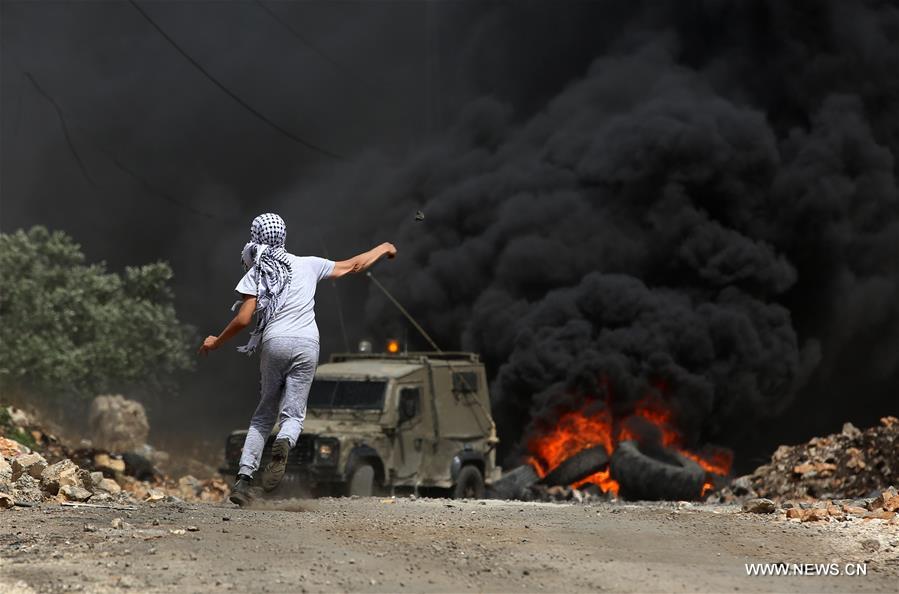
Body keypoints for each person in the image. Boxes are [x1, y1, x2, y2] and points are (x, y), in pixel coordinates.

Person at [199, 213, 396, 506]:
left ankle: (243, 480)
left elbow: (243, 319)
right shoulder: (309, 264)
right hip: (307, 344)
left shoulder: (258, 272)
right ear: (283, 236)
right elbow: (354, 266)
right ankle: (283, 443)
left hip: (275, 342)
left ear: (255, 238)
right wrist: (384, 247)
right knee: (293, 415)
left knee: (264, 414)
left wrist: (216, 341)